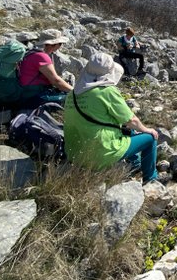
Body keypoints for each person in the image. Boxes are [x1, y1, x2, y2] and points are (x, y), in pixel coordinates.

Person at [63, 52, 159, 184]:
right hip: (101, 153)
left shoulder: (72, 94)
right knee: (150, 138)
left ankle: (135, 164)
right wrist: (148, 130)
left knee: (126, 129)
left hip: (75, 155)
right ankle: (151, 179)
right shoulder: (106, 91)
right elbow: (131, 120)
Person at [18, 29, 73, 108]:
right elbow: (56, 81)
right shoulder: (42, 57)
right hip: (34, 96)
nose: (60, 46)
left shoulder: (31, 52)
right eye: (60, 44)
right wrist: (75, 92)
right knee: (71, 99)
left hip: (25, 93)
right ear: (52, 44)